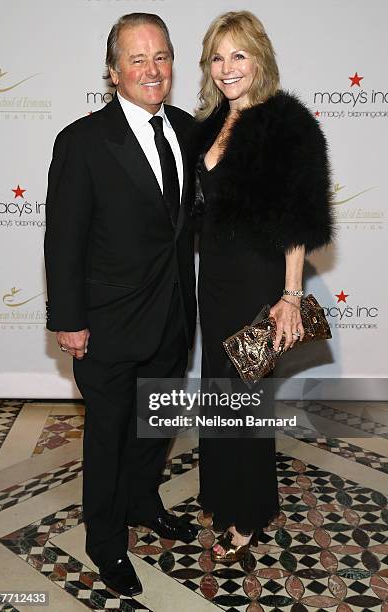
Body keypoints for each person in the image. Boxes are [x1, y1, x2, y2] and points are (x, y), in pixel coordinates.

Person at [44, 13, 197, 596]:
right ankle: (106, 544)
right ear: (113, 72)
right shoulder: (81, 141)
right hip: (106, 324)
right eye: (137, 59)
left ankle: (143, 504)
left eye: (161, 56)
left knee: (154, 428)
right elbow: (64, 239)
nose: (151, 69)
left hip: (173, 316)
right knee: (107, 438)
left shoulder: (186, 129)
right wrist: (69, 320)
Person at [194, 11, 334, 563]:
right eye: (218, 56)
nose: (228, 68)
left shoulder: (286, 122)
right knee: (219, 394)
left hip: (259, 281)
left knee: (245, 403)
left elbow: (298, 218)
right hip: (216, 282)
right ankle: (224, 495)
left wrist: (291, 295)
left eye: (239, 55)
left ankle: (248, 514)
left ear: (260, 59)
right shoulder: (206, 124)